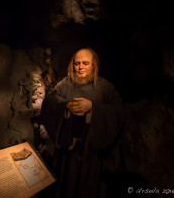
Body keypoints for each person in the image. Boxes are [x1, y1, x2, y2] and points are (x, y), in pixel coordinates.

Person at [40, 48, 125, 198]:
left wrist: (93, 107)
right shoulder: (64, 84)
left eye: (85, 63)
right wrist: (64, 106)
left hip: (90, 153)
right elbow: (49, 102)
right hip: (66, 152)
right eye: (77, 63)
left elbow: (117, 111)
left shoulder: (105, 87)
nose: (80, 67)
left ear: (94, 65)